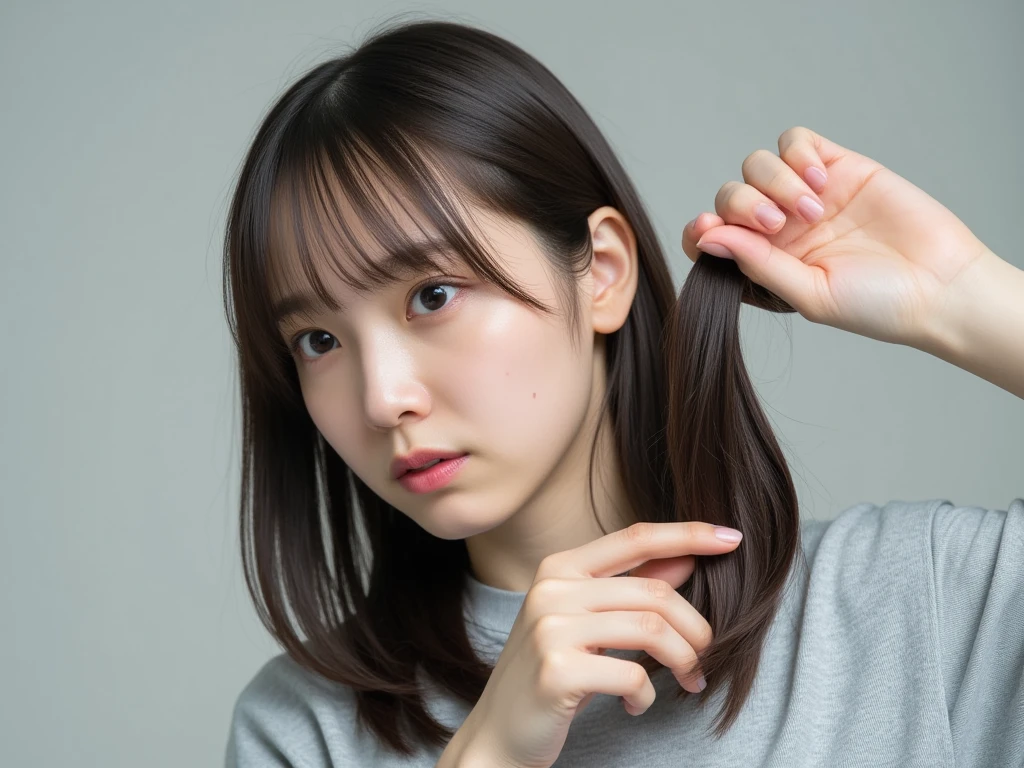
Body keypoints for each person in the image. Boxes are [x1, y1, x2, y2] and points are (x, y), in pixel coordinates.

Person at [221, 16, 1024, 768]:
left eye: (432, 295)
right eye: (318, 341)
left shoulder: (914, 603)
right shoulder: (305, 730)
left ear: (601, 271)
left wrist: (963, 298)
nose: (382, 398)